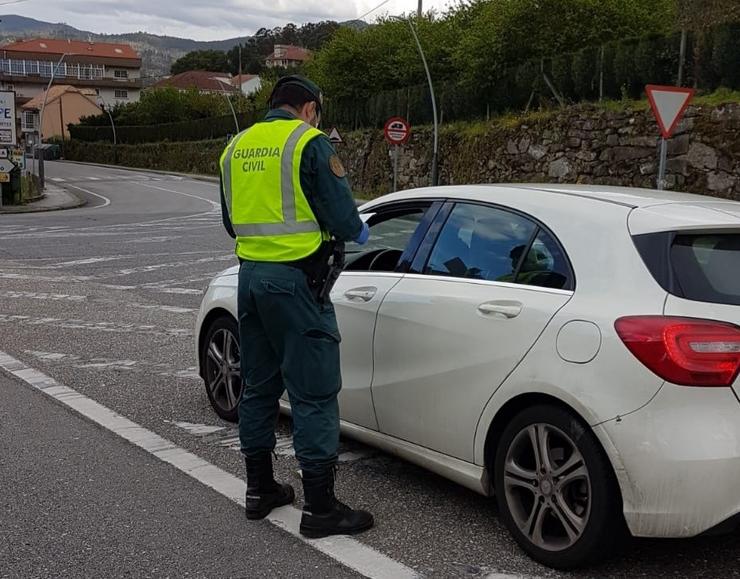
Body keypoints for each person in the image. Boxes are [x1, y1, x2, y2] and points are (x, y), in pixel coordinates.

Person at [219, 75, 373, 538]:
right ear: (308, 107)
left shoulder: (235, 147)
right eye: (318, 112)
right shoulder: (309, 142)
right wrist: (363, 234)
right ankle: (321, 510)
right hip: (298, 284)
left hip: (249, 280)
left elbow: (232, 223)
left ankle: (259, 490)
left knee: (259, 388)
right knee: (314, 393)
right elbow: (346, 220)